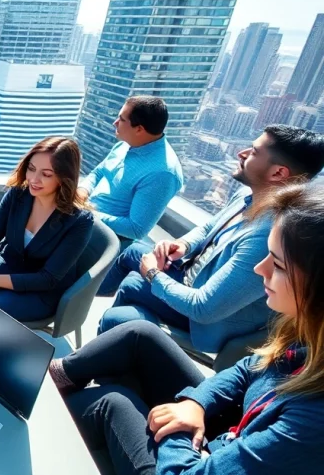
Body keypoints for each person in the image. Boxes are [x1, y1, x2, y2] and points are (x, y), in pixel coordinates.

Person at [49, 183, 324, 475]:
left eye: (278, 265)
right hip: (232, 432)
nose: (260, 269)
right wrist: (196, 402)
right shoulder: (306, 336)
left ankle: (43, 422)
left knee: (113, 403)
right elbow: (248, 369)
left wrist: (179, 431)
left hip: (201, 461)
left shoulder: (312, 421)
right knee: (139, 334)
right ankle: (51, 378)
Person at [96, 126, 324, 354]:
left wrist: (153, 275)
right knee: (133, 252)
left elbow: (203, 308)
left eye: (254, 152)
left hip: (204, 320)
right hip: (191, 274)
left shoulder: (265, 236)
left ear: (278, 173)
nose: (241, 153)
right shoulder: (249, 195)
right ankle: (93, 312)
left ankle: (108, 352)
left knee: (131, 286)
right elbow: (209, 227)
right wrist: (183, 245)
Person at [0, 137, 94, 322]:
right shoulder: (18, 194)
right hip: (7, 264)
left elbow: (47, 278)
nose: (34, 179)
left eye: (46, 174)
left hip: (39, 289)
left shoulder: (79, 220)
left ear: (65, 178)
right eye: (31, 169)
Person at [79, 96, 184, 247]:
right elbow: (99, 171)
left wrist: (86, 213)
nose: (115, 123)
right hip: (83, 220)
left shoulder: (163, 173)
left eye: (121, 119)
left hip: (100, 242)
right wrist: (82, 190)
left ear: (139, 129)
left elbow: (136, 229)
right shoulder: (127, 144)